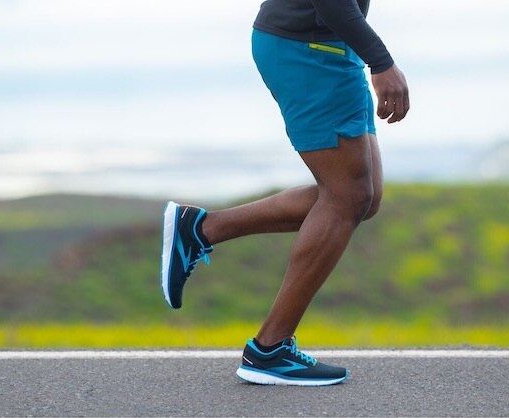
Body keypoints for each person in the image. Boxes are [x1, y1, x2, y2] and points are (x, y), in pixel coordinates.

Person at [161, 0, 409, 386]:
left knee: (364, 197)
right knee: (347, 197)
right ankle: (269, 349)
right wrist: (381, 62)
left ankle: (202, 229)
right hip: (308, 49)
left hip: (329, 46)